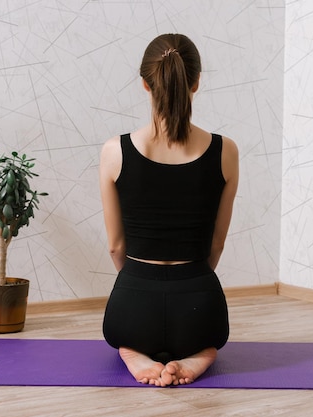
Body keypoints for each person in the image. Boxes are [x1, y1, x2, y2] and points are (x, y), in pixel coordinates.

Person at [99, 33, 239, 387]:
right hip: (199, 310)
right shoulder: (226, 151)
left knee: (127, 339)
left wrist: (138, 283)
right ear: (196, 83)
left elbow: (116, 247)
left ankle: (133, 352)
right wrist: (188, 284)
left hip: (132, 309)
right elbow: (217, 245)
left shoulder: (114, 151)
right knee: (209, 344)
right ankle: (198, 356)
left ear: (145, 84)